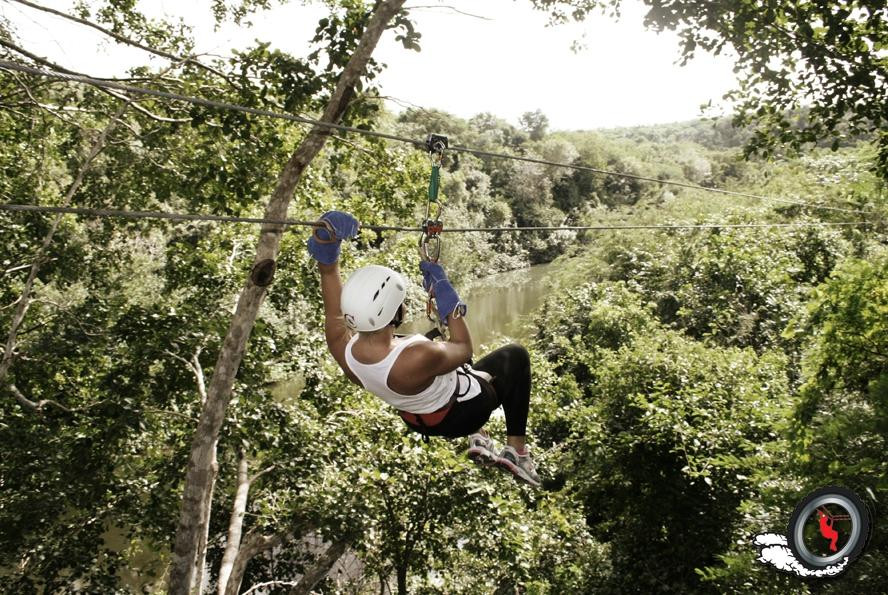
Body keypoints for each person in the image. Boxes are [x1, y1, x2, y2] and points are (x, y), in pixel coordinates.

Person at [307, 210, 540, 487]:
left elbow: (331, 297)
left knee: (444, 352)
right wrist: (448, 299)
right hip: (464, 413)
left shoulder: (344, 351)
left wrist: (327, 250)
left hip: (421, 419)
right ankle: (517, 452)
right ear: (395, 313)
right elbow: (463, 348)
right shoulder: (415, 356)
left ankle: (480, 437)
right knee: (515, 356)